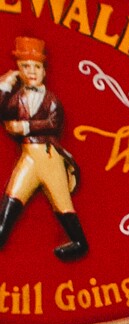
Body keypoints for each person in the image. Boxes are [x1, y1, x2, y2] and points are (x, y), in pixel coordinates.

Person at [0, 34, 86, 260]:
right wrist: (4, 86)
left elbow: (54, 123)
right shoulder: (17, 98)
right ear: (19, 69)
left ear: (44, 71)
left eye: (36, 66)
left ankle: (79, 242)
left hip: (48, 157)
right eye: (26, 66)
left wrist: (24, 127)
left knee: (62, 203)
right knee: (13, 195)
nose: (32, 71)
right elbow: (2, 111)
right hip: (29, 157)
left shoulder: (52, 100)